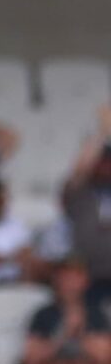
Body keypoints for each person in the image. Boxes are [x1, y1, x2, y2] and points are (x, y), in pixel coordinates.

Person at [23, 259, 111, 364]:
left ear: (85, 281)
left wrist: (79, 332)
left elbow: (103, 356)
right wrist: (64, 333)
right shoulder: (44, 314)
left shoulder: (96, 314)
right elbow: (32, 358)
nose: (69, 283)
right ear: (56, 280)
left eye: (74, 278)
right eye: (65, 278)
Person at [60, 107, 111, 307]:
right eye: (102, 163)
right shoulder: (80, 194)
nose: (106, 167)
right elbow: (79, 171)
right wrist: (103, 132)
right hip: (89, 275)